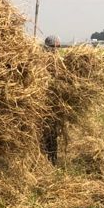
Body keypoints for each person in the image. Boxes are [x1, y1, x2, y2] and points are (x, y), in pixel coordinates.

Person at [41, 35, 60, 164]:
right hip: (43, 104)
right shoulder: (41, 62)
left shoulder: (60, 62)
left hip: (55, 104)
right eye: (53, 47)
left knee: (53, 133)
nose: (56, 50)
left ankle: (52, 159)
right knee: (45, 133)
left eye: (58, 47)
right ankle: (45, 159)